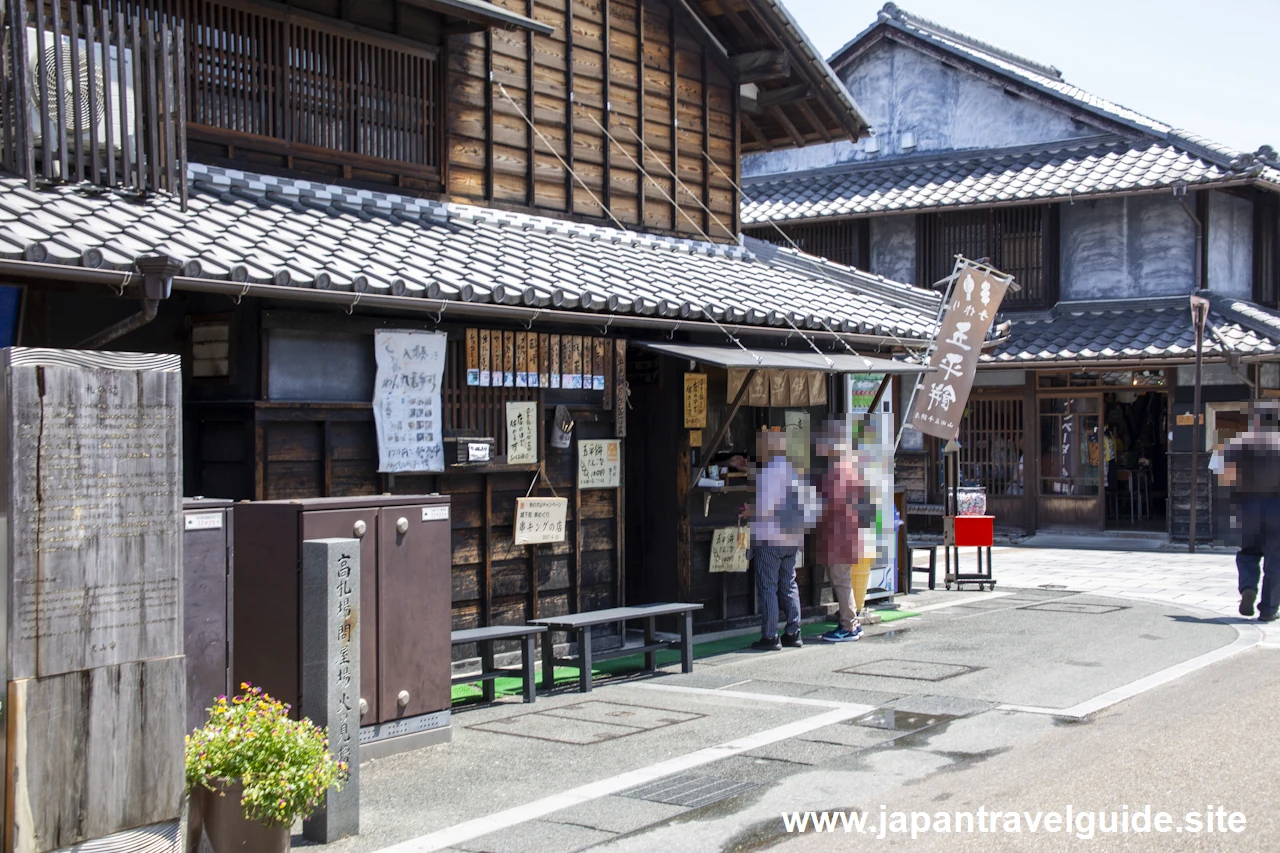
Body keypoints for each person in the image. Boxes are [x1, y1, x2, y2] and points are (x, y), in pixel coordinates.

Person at [732, 429, 820, 651]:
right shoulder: (794, 469)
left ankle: (770, 636)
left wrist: (749, 511)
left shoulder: (771, 472)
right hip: (792, 538)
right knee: (789, 584)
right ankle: (793, 632)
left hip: (771, 538)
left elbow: (766, 508)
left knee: (768, 587)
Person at [1220, 402, 1280, 623]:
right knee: (1276, 561)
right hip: (1277, 507)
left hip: (1248, 505)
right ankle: (1269, 609)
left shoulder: (1238, 444)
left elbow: (1225, 477)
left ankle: (1247, 588)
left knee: (1247, 553)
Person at [814, 419, 869, 643]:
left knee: (841, 581)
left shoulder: (837, 470)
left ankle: (849, 625)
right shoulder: (851, 467)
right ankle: (851, 623)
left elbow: (829, 502)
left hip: (840, 535)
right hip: (849, 533)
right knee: (842, 579)